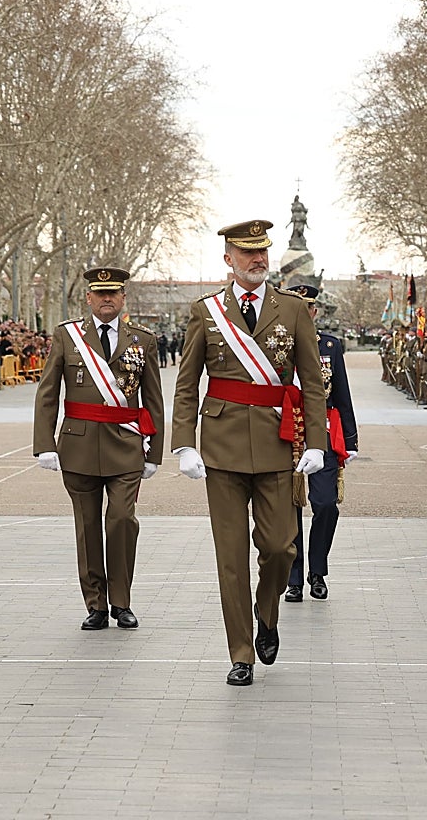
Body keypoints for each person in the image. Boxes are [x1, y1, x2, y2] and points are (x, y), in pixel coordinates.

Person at [171, 218, 328, 687]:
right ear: (229, 259)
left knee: (280, 548)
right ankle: (241, 653)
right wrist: (184, 443)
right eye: (247, 252)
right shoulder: (206, 312)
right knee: (231, 557)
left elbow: (312, 383)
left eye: (262, 251)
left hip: (277, 444)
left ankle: (267, 611)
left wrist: (316, 443)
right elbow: (186, 383)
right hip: (221, 447)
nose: (258, 259)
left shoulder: (293, 309)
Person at [33, 267, 164, 632]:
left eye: (113, 293)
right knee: (88, 527)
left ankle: (121, 602)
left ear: (123, 298)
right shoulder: (67, 335)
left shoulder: (143, 339)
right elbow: (47, 393)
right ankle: (96, 605)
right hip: (79, 445)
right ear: (88, 298)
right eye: (100, 293)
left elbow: (154, 399)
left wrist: (154, 452)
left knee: (122, 521)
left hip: (126, 445)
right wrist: (45, 444)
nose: (107, 299)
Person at [282, 284, 359, 603]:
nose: (306, 312)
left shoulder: (329, 345)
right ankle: (294, 578)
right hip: (284, 432)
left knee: (325, 503)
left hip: (321, 432)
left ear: (315, 312)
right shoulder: (274, 345)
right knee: (287, 508)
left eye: (310, 308)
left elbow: (341, 392)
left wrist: (350, 439)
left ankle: (317, 571)